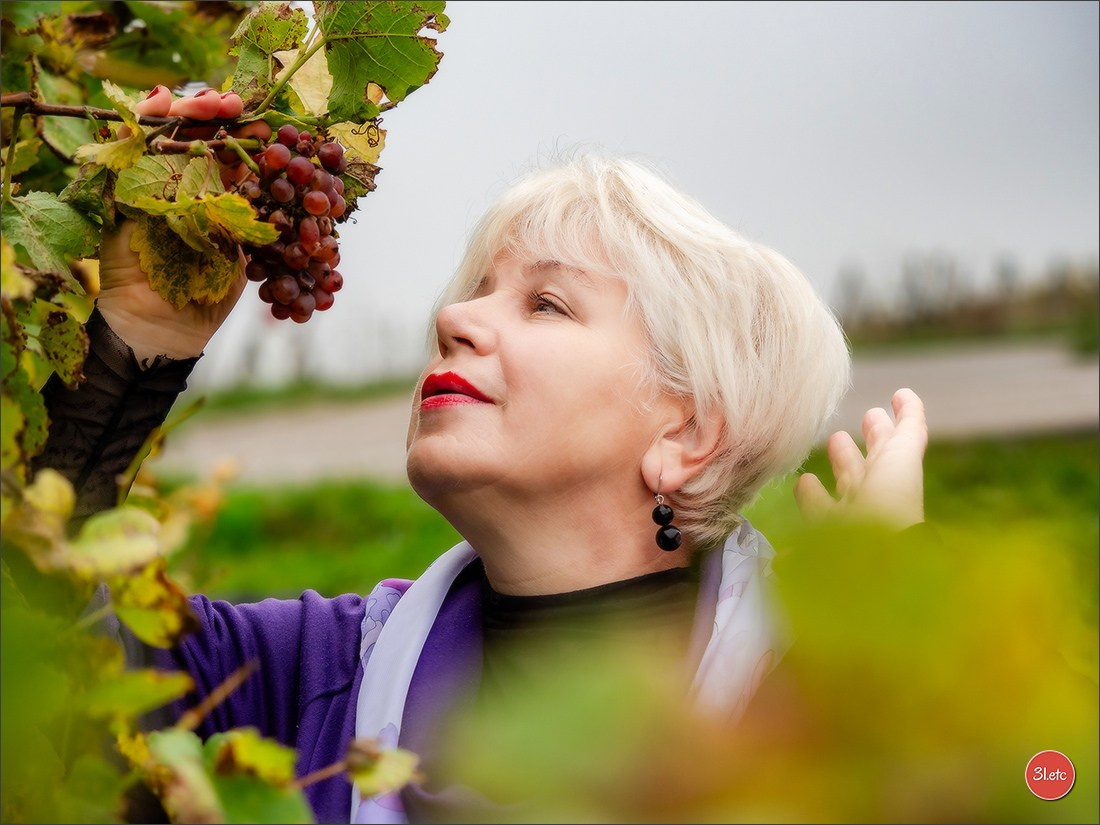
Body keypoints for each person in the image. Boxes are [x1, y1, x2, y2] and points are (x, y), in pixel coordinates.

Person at [31, 89, 928, 824]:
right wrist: (129, 350)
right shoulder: (308, 677)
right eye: (476, 292)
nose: (452, 319)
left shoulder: (802, 690)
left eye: (546, 304)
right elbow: (38, 675)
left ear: (686, 435)